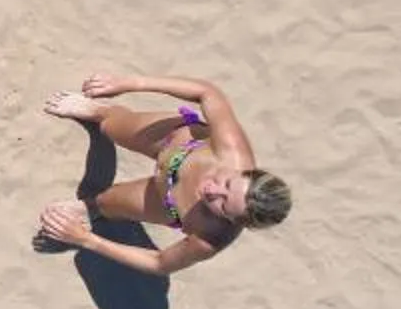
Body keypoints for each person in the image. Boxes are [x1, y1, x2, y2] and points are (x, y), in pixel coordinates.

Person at [35, 71, 293, 274]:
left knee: (105, 203)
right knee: (111, 127)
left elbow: (159, 263)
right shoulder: (232, 150)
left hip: (166, 199)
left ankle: (90, 207)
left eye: (223, 206)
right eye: (226, 183)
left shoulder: (209, 237)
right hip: (173, 142)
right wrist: (130, 82)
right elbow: (208, 92)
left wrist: (86, 240)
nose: (212, 191)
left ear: (235, 222)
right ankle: (99, 112)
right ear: (244, 173)